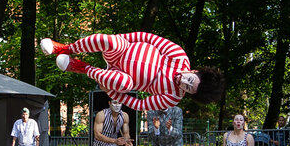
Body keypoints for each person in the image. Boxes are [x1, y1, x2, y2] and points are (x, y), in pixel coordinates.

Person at [40, 32, 224, 110]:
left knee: (124, 84)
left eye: (189, 88)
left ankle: (81, 67)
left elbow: (140, 104)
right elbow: (147, 38)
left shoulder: (173, 97)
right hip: (123, 50)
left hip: (122, 77)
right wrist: (120, 38)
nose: (184, 83)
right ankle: (64, 49)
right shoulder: (179, 56)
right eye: (190, 80)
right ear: (195, 71)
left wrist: (114, 93)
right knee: (109, 41)